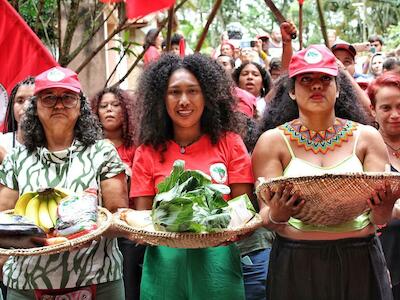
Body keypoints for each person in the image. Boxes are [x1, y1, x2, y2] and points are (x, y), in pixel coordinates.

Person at [253, 45, 396, 299]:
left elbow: (379, 217)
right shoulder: (272, 142)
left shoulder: (366, 137)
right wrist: (278, 213)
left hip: (361, 260)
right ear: (292, 91)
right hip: (296, 263)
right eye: (306, 79)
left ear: (339, 89)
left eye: (325, 79)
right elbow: (267, 219)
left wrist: (384, 206)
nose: (316, 86)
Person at [130, 53, 254, 300]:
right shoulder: (146, 152)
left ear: (207, 96)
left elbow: (244, 211)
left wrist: (214, 226)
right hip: (164, 268)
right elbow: (142, 219)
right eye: (174, 92)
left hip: (218, 265)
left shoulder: (231, 144)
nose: (183, 100)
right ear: (161, 99)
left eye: (193, 91)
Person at [0, 66, 128, 299]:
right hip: (27, 283)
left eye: (67, 97)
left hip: (99, 280)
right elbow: (4, 220)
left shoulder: (103, 153)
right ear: (36, 107)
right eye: (48, 98)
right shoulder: (17, 159)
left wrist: (86, 231)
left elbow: (119, 217)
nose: (58, 104)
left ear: (81, 107)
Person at [90, 87, 143, 299]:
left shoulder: (138, 147)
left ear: (127, 110)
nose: (109, 110)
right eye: (103, 106)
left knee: (129, 287)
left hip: (128, 229)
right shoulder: (89, 149)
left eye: (115, 105)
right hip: (96, 229)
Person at [368, 72, 400, 299]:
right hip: (383, 252)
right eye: (386, 108)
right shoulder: (365, 148)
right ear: (373, 110)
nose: (395, 115)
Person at [0, 77, 35, 162]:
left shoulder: (54, 146)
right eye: (20, 101)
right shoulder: (2, 142)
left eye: (32, 100)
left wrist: (5, 159)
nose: (26, 106)